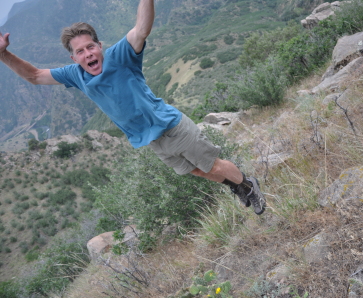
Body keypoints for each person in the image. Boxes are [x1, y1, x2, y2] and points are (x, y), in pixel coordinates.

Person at [0, 0, 266, 215]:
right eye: (80, 51)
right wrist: (3, 54)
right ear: (73, 57)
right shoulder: (75, 74)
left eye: (90, 47)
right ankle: (236, 185)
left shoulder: (120, 55)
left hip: (171, 127)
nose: (88, 54)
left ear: (99, 46)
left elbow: (141, 29)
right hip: (152, 141)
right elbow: (34, 76)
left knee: (213, 165)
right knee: (196, 170)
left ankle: (246, 185)